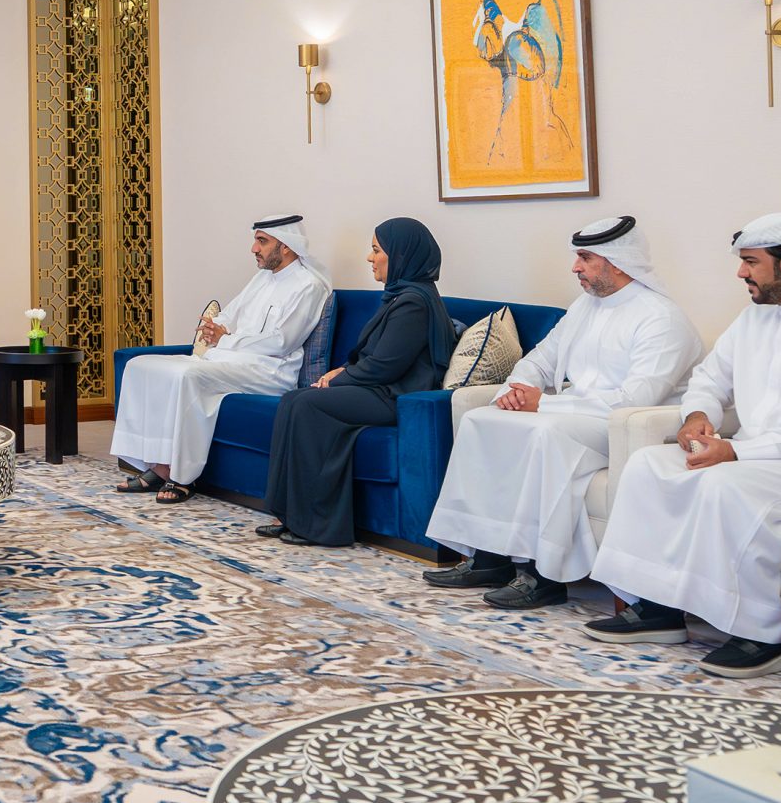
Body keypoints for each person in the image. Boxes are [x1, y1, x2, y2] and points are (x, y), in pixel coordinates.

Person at [583, 213, 781, 677]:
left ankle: (761, 638)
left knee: (724, 487)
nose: (740, 273)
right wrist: (699, 418)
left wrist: (737, 452)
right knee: (649, 464)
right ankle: (656, 609)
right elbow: (711, 378)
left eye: (750, 262)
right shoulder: (754, 318)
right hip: (760, 455)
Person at [423, 215, 702, 607]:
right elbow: (541, 357)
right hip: (576, 412)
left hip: (628, 425)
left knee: (544, 433)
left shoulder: (661, 318)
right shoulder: (586, 307)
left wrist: (546, 404)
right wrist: (519, 389)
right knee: (480, 420)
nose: (575, 267)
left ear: (617, 261)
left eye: (585, 258)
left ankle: (544, 575)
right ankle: (487, 557)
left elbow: (637, 397)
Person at [255, 219, 456, 547]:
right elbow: (372, 357)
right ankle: (290, 513)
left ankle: (317, 525)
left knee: (307, 403)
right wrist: (341, 373)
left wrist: (337, 380)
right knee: (293, 400)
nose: (369, 258)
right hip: (376, 389)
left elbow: (384, 366)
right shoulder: (401, 296)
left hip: (395, 397)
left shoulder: (414, 302)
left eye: (376, 250)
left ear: (401, 255)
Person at [112, 213, 330, 504]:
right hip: (230, 358)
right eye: (256, 241)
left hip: (271, 370)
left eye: (262, 242)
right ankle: (157, 465)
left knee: (189, 376)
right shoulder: (262, 278)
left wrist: (226, 338)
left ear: (287, 246)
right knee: (139, 365)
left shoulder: (309, 286)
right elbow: (229, 313)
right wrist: (218, 328)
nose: (254, 249)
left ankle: (182, 476)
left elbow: (281, 342)